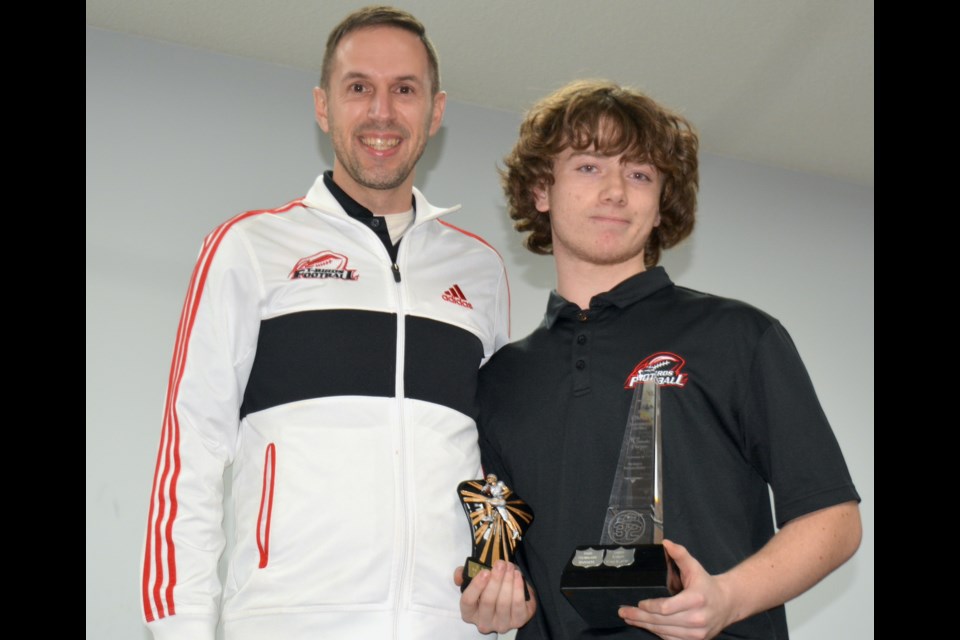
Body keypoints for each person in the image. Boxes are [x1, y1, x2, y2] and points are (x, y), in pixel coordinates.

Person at [140, 6, 528, 638]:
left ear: (435, 111)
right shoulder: (249, 247)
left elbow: (494, 462)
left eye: (405, 89)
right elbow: (191, 453)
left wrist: (502, 575)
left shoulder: (479, 269)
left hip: (447, 625)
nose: (382, 111)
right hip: (286, 621)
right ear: (323, 106)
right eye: (359, 88)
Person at [477, 80, 862, 640]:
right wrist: (496, 597)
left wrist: (727, 599)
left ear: (659, 206)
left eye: (639, 174)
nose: (615, 191)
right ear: (542, 189)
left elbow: (835, 520)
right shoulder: (498, 381)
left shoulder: (738, 335)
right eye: (588, 167)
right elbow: (499, 552)